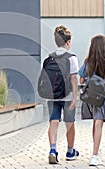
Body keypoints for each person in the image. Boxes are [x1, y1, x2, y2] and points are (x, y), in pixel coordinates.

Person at [78, 34, 105, 166]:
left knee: (95, 123)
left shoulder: (88, 61)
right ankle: (95, 155)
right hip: (103, 96)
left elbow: (81, 77)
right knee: (98, 124)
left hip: (90, 95)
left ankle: (96, 150)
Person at [47, 25, 79, 164]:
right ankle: (70, 151)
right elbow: (74, 78)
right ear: (68, 42)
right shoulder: (71, 58)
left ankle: (53, 149)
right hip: (67, 96)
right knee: (69, 123)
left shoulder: (50, 57)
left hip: (53, 96)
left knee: (53, 122)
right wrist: (75, 97)